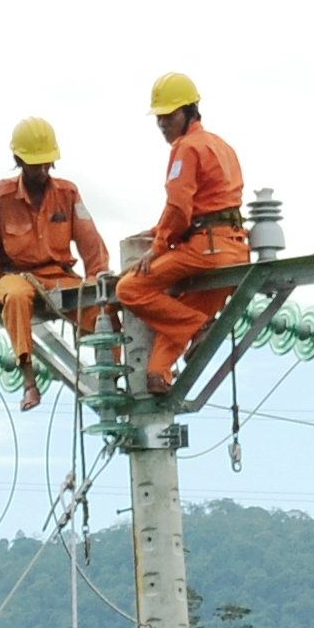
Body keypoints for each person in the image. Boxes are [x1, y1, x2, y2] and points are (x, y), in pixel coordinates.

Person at [114, 71, 247, 395]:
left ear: (190, 111)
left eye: (169, 116)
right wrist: (160, 230)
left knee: (130, 289)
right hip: (235, 252)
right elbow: (205, 202)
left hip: (206, 249)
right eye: (159, 118)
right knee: (172, 329)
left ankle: (201, 328)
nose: (163, 124)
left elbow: (179, 207)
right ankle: (160, 376)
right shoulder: (222, 145)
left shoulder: (186, 148)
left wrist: (157, 246)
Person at [0, 116, 109, 409]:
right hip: (16, 276)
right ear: (18, 160)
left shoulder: (67, 193)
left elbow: (91, 241)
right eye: (36, 163)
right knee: (17, 297)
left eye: (47, 163)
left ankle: (111, 382)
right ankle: (29, 382)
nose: (43, 169)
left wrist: (97, 279)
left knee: (101, 310)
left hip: (60, 275)